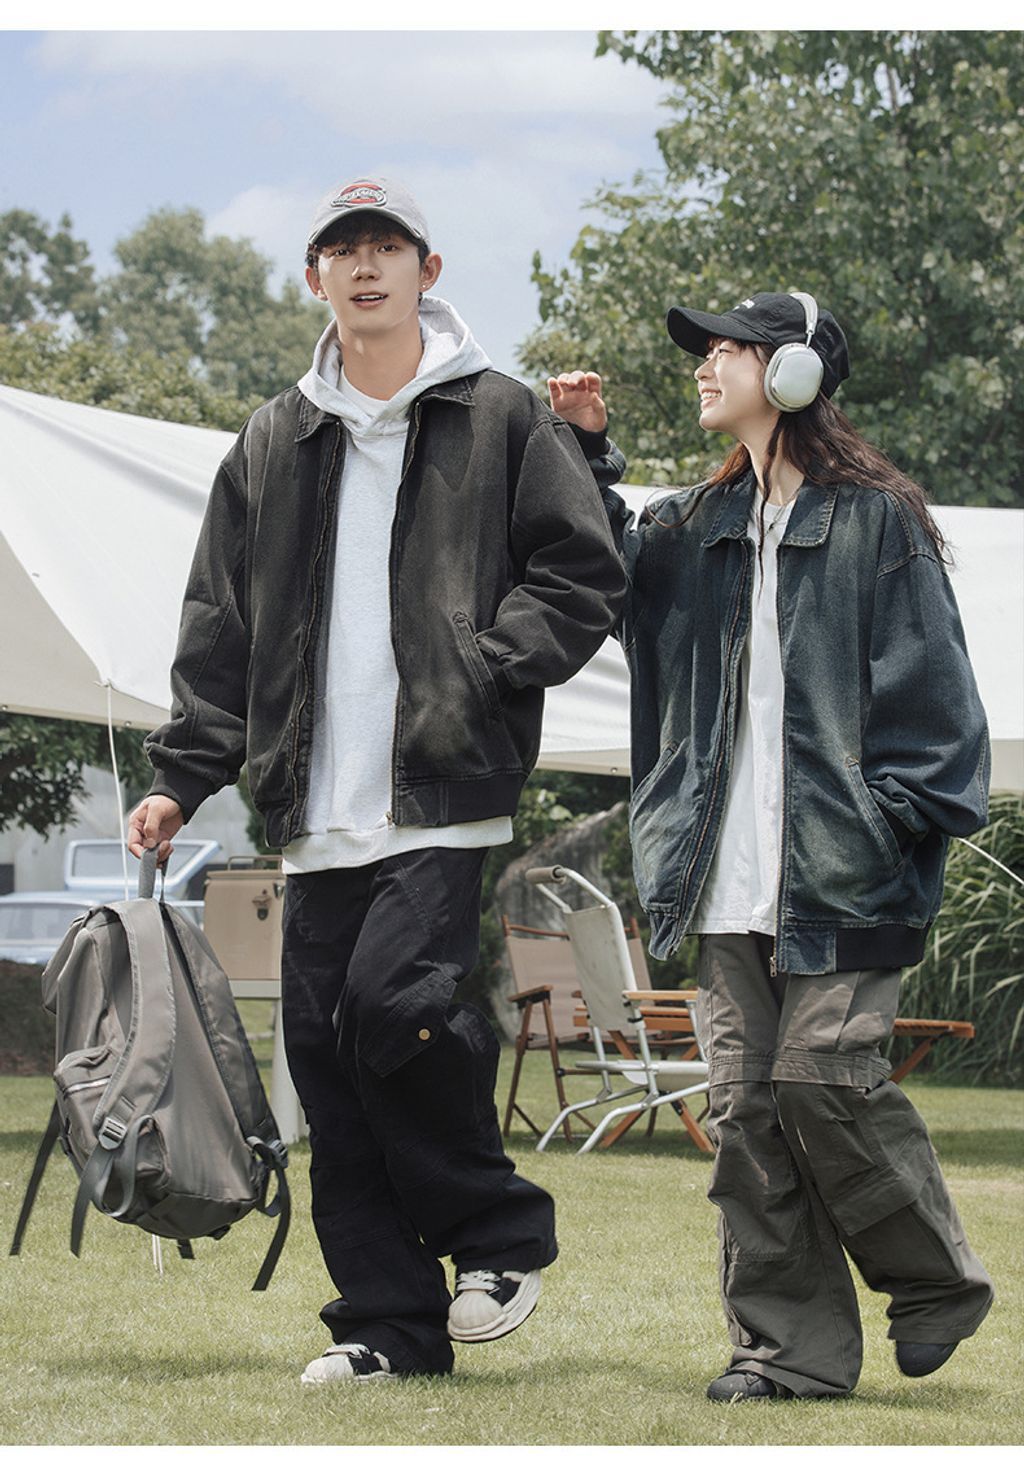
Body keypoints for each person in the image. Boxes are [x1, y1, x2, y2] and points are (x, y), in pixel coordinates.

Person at [128, 175, 625, 1385]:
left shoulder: (502, 416)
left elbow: (581, 572)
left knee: (397, 1010)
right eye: (342, 250)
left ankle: (496, 1237)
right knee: (328, 1059)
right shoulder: (272, 439)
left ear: (426, 270)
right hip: (314, 810)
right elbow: (218, 626)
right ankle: (387, 1325)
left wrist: (482, 665)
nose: (364, 266)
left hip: (444, 788)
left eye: (385, 247)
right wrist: (182, 777)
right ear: (315, 277)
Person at [547, 290, 994, 1402]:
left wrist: (889, 818)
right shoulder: (687, 529)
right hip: (719, 877)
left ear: (793, 372)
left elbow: (940, 701)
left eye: (727, 351)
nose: (704, 367)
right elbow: (598, 579)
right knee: (746, 1110)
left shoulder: (879, 522)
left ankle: (933, 1279)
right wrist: (587, 452)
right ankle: (787, 1353)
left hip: (846, 872)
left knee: (822, 1083)